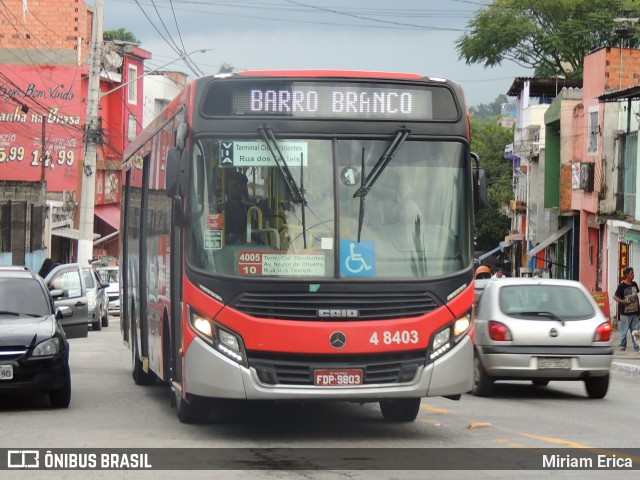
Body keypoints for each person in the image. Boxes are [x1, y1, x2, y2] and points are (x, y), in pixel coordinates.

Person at [614, 267, 640, 352]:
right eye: (631, 273)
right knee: (623, 331)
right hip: (625, 313)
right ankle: (622, 345)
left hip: (635, 312)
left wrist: (638, 309)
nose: (633, 275)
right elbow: (615, 297)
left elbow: (636, 297)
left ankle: (637, 346)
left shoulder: (634, 284)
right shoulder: (621, 286)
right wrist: (622, 301)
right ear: (626, 275)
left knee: (635, 331)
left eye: (633, 273)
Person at [224, 170, 249, 244]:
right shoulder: (219, 208)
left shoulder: (248, 208)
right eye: (236, 184)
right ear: (227, 186)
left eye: (241, 185)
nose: (240, 188)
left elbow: (253, 230)